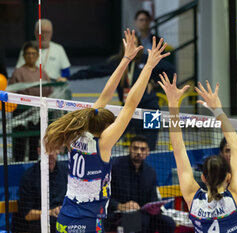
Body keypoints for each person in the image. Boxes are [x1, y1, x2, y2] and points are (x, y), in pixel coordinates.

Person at [44, 29, 170, 232]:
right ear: (105, 128)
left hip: (66, 216)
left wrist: (126, 58)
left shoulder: (78, 132)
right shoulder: (102, 143)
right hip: (85, 222)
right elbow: (130, 105)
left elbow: (105, 96)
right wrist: (148, 66)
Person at [158, 73, 237, 233]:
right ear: (228, 177)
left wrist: (173, 104)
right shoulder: (236, 198)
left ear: (203, 177)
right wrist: (217, 109)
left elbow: (178, 150)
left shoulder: (194, 200)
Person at [69, 36, 175, 150]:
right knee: (111, 137)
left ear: (140, 46)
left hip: (150, 109)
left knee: (150, 145)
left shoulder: (146, 60)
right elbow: (93, 71)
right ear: (123, 46)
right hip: (128, 109)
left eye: (134, 43)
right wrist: (70, 77)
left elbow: (170, 69)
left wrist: (155, 85)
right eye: (129, 43)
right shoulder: (117, 62)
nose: (131, 46)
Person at [105, 135, 176, 233]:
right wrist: (120, 205)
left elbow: (153, 198)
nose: (139, 152)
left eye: (142, 149)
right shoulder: (115, 167)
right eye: (135, 148)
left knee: (168, 222)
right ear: (129, 149)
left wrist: (155, 207)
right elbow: (104, 195)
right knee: (140, 220)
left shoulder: (150, 172)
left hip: (143, 213)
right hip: (118, 213)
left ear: (147, 152)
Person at [11, 142, 68, 233]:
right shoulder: (29, 176)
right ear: (39, 151)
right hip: (38, 225)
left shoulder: (66, 172)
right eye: (46, 150)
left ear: (58, 150)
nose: (50, 154)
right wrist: (50, 212)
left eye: (52, 149)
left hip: (64, 222)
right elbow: (28, 214)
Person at [10, 41, 52, 162]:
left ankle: (34, 165)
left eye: (33, 53)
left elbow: (49, 90)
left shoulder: (42, 73)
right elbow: (13, 91)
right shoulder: (18, 72)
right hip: (21, 113)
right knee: (20, 144)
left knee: (35, 143)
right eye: (28, 53)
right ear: (23, 56)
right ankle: (18, 165)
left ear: (37, 56)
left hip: (38, 113)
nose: (31, 56)